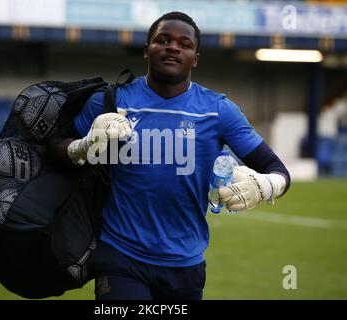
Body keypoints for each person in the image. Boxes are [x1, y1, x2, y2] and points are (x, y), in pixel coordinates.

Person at [53, 11, 291, 300]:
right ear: (146, 50)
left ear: (195, 57)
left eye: (184, 43)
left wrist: (264, 186)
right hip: (120, 254)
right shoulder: (110, 101)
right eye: (162, 40)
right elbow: (55, 147)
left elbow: (277, 169)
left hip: (186, 264)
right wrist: (82, 147)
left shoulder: (219, 110)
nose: (173, 47)